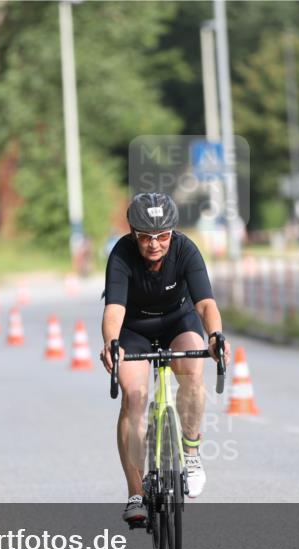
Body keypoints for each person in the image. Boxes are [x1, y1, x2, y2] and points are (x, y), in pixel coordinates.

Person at [100, 193, 231, 525]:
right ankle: (135, 494)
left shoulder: (186, 249)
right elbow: (114, 309)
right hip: (134, 328)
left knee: (192, 373)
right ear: (133, 234)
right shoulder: (121, 254)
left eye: (162, 236)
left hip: (178, 322)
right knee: (134, 397)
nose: (154, 244)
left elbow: (205, 304)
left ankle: (191, 451)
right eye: (146, 236)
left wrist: (215, 336)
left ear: (172, 233)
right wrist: (111, 343)